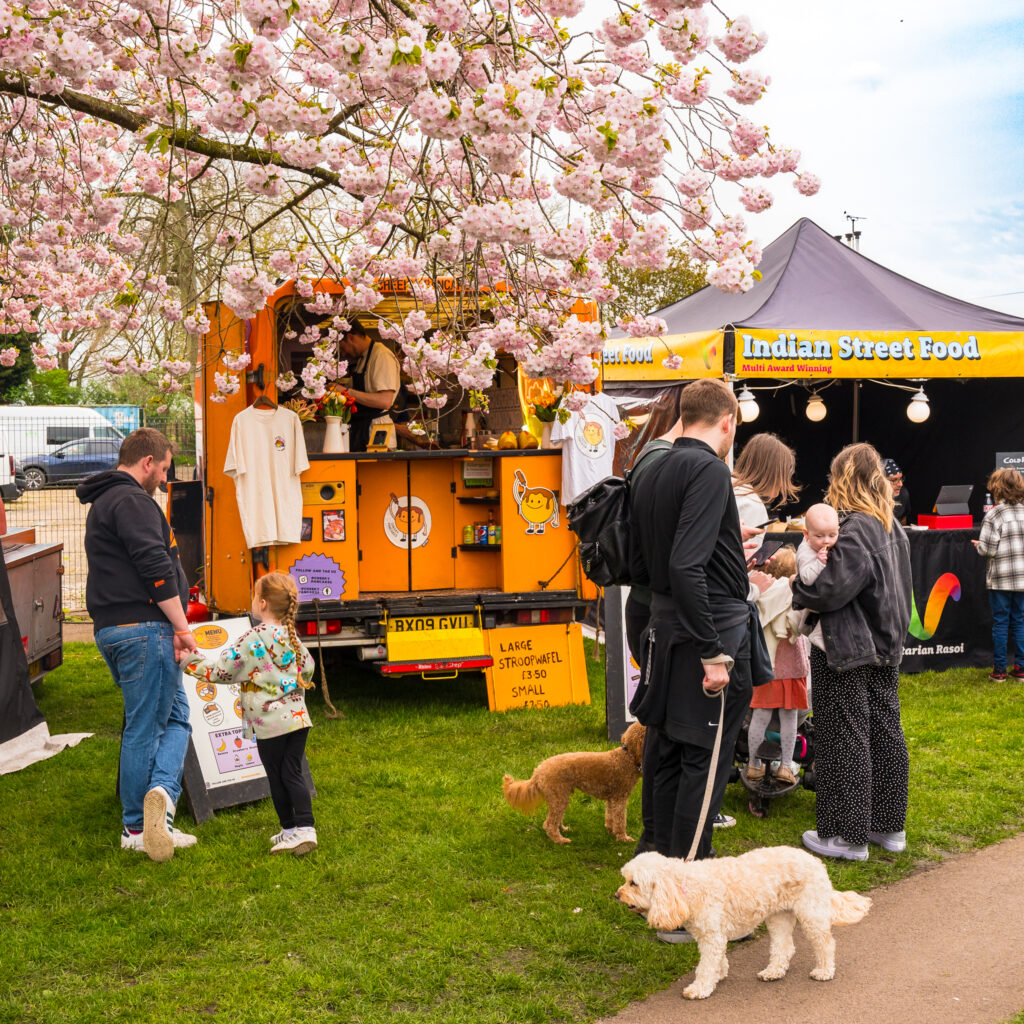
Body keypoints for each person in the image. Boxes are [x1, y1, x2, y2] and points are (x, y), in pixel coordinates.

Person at [629, 379, 773, 941]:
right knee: (703, 764)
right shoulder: (710, 469)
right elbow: (687, 565)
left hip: (666, 626)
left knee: (666, 753)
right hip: (706, 636)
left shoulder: (649, 463)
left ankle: (654, 881)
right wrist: (715, 652)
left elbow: (648, 562)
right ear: (729, 422)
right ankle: (684, 908)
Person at [76, 428, 199, 862]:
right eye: (164, 470)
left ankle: (159, 806)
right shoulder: (131, 500)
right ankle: (136, 825)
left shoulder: (105, 501)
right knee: (149, 726)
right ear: (147, 462)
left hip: (117, 628)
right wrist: (182, 627)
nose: (164, 480)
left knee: (176, 718)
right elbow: (154, 566)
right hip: (145, 629)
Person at [792, 443, 912, 862]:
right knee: (883, 733)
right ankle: (887, 826)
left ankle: (848, 836)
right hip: (883, 643)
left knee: (845, 738)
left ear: (843, 478)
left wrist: (796, 580)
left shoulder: (858, 526)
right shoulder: (889, 523)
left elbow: (829, 590)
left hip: (848, 646)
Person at [182, 572, 318, 854]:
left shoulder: (252, 638)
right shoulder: (291, 636)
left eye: (255, 595)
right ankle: (293, 829)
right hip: (298, 719)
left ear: (263, 603)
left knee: (277, 774)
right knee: (291, 771)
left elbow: (222, 670)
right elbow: (308, 668)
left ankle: (302, 829)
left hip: (269, 724)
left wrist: (188, 661)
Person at [746, 547, 809, 786]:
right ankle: (785, 766)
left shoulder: (761, 593)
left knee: (760, 716)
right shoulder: (794, 592)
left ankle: (753, 764)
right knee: (790, 718)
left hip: (766, 664)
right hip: (792, 665)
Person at [973, 468, 1024, 682]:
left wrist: (978, 546)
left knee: (1001, 623)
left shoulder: (994, 514)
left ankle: (1000, 670)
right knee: (1020, 621)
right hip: (1022, 578)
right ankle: (1021, 669)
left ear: (997, 488)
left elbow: (988, 550)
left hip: (1001, 579)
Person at [732, 433, 801, 554]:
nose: (784, 484)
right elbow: (748, 559)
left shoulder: (727, 486)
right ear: (773, 472)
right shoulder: (752, 505)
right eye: (784, 475)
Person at [338, 322, 401, 452]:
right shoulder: (363, 358)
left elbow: (384, 401)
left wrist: (345, 392)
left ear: (350, 337)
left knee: (375, 472)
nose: (343, 354)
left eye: (343, 348)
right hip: (361, 428)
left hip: (377, 432)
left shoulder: (381, 356)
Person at [790, 502, 841, 650]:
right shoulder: (806, 552)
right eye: (819, 536)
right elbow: (806, 578)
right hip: (812, 609)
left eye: (832, 535)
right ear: (806, 534)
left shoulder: (822, 544)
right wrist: (819, 563)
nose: (826, 540)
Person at [883, 458, 912, 526]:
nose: (900, 484)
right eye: (894, 480)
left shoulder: (903, 494)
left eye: (901, 479)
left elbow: (902, 522)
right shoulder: (869, 499)